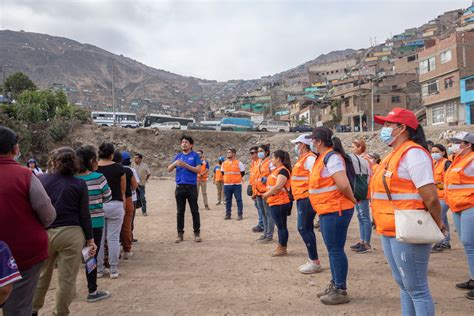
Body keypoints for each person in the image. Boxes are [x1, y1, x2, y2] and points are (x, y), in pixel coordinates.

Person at [371, 108, 443, 315]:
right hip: (390, 227)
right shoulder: (393, 155)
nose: (384, 129)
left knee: (417, 288)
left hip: (409, 228)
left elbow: (430, 197)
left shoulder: (414, 154)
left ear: (402, 128)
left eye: (388, 125)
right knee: (404, 285)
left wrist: (436, 223)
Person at [32, 147, 97, 315]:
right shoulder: (79, 183)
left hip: (45, 233)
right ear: (75, 163)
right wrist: (90, 239)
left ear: (53, 162)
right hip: (72, 233)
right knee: (67, 278)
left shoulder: (41, 180)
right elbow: (84, 214)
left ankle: (32, 309)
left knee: (41, 275)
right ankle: (60, 313)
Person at [0, 126, 56, 316]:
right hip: (24, 255)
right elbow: (47, 214)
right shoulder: (25, 176)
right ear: (15, 149)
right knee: (19, 306)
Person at [306, 127, 356, 305]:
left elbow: (342, 184)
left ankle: (340, 290)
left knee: (335, 250)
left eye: (313, 140)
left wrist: (352, 199)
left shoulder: (332, 157)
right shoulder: (323, 158)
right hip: (329, 209)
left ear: (318, 141)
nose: (311, 143)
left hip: (336, 209)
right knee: (333, 250)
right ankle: (335, 284)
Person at [75, 145, 112, 302]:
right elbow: (108, 196)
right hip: (95, 222)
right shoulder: (98, 177)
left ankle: (68, 290)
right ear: (91, 161)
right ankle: (92, 290)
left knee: (71, 259)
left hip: (75, 224)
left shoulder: (72, 178)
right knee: (91, 256)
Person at [444, 131, 474, 300]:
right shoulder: (457, 160)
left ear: (468, 144)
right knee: (468, 245)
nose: (453, 145)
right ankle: (472, 278)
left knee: (471, 245)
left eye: (457, 142)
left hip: (471, 205)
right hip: (458, 207)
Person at [290, 134, 322, 273]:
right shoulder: (304, 158)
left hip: (307, 197)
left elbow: (316, 177)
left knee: (303, 228)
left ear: (303, 144)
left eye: (297, 144)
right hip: (302, 197)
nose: (296, 146)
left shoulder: (309, 158)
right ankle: (313, 260)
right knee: (305, 228)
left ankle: (314, 261)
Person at [96, 143, 126, 279]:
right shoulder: (119, 168)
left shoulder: (94, 168)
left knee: (99, 240)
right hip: (115, 204)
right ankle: (113, 269)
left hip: (98, 205)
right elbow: (123, 190)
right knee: (113, 238)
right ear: (112, 154)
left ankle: (100, 269)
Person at [167, 135, 202, 243]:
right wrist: (175, 163)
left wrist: (186, 165)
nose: (184, 144)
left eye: (186, 142)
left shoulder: (195, 156)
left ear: (191, 145)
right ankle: (180, 234)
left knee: (194, 211)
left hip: (191, 187)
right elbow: (169, 169)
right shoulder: (178, 156)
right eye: (182, 142)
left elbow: (198, 170)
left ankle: (197, 233)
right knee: (180, 212)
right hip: (179, 188)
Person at [262, 150, 292, 257]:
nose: (272, 160)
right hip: (275, 201)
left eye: (273, 158)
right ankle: (281, 246)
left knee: (281, 226)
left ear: (278, 159)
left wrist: (267, 194)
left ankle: (282, 248)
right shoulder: (277, 170)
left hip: (280, 202)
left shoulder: (283, 171)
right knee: (281, 226)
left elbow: (278, 186)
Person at [349, 138, 373, 254]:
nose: (352, 149)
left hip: (363, 191)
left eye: (353, 147)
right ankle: (362, 240)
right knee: (360, 216)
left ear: (360, 148)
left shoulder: (365, 160)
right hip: (360, 190)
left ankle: (366, 243)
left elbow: (368, 176)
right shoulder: (362, 159)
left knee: (364, 216)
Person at [431, 144, 452, 252]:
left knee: (439, 217)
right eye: (433, 152)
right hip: (437, 196)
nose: (434, 154)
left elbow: (449, 181)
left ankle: (442, 242)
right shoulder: (435, 164)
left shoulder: (446, 163)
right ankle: (445, 241)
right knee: (442, 218)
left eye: (436, 151)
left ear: (443, 152)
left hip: (444, 196)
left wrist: (436, 185)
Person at [253, 144, 275, 243]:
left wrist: (267, 179)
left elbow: (275, 175)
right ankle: (265, 233)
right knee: (263, 213)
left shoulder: (270, 163)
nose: (259, 153)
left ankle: (269, 235)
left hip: (266, 192)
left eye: (261, 151)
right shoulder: (258, 163)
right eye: (258, 151)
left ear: (266, 152)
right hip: (258, 192)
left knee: (268, 214)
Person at [119, 151, 139, 259]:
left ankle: (114, 250)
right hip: (127, 199)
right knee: (127, 226)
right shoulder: (129, 170)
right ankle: (127, 249)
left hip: (112, 200)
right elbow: (135, 185)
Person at [221, 147, 245, 220]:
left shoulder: (239, 163)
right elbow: (223, 173)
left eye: (229, 152)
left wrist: (235, 179)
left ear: (234, 154)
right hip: (227, 185)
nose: (228, 154)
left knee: (239, 200)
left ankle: (240, 214)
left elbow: (242, 173)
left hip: (236, 185)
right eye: (227, 152)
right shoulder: (224, 163)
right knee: (228, 200)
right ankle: (228, 214)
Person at [249, 146, 264, 233]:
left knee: (262, 209)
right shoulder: (253, 163)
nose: (251, 154)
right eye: (250, 153)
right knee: (259, 208)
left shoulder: (260, 163)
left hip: (260, 190)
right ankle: (261, 224)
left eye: (253, 153)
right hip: (255, 189)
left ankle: (262, 225)